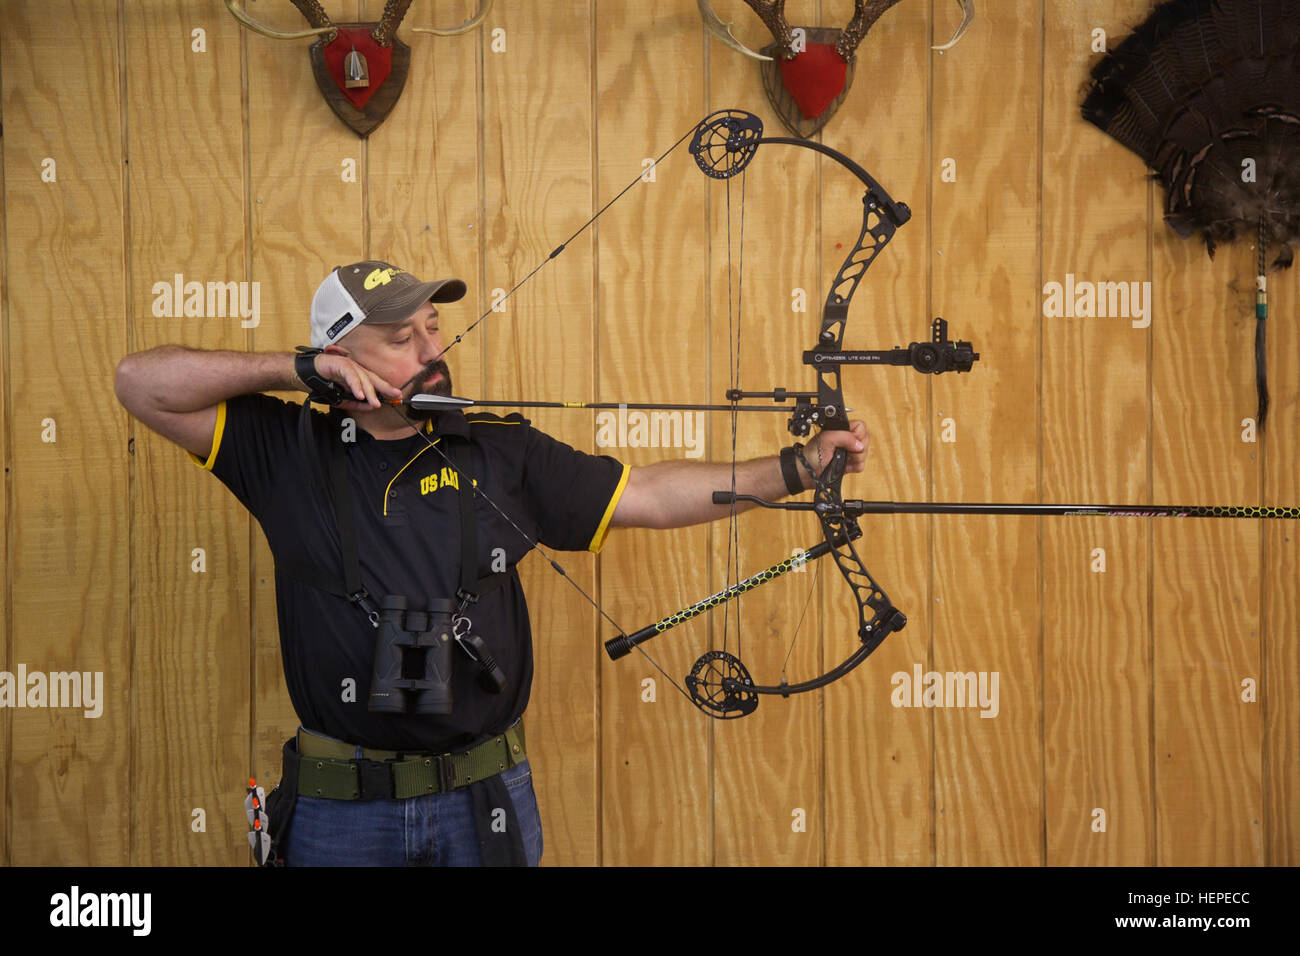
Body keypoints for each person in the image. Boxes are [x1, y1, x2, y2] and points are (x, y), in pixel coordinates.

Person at [113, 259, 869, 866]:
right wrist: (291, 367)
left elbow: (649, 493)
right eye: (403, 338)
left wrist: (796, 468)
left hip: (483, 800)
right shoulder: (282, 448)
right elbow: (138, 383)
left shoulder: (498, 450)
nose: (433, 352)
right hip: (341, 810)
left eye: (433, 329)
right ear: (341, 356)